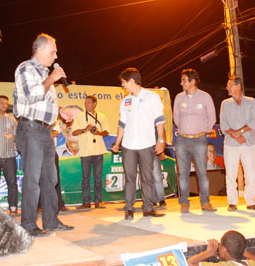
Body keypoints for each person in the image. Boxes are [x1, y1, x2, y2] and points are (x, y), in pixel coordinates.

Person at [13, 33, 74, 237]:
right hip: (30, 130)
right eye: (52, 51)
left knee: (50, 178)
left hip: (46, 131)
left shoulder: (45, 73)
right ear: (40, 50)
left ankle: (51, 221)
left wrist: (60, 112)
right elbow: (32, 96)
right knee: (33, 179)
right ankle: (28, 225)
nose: (55, 56)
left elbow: (44, 103)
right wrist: (52, 78)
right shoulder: (25, 68)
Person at [111, 67, 166, 220]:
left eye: (123, 82)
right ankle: (129, 208)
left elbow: (159, 120)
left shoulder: (152, 97)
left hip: (147, 143)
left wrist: (161, 140)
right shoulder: (125, 101)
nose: (123, 86)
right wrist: (117, 143)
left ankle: (148, 208)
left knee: (147, 178)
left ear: (132, 81)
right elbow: (122, 124)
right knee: (129, 178)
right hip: (128, 145)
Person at [173, 69, 216, 213]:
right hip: (182, 140)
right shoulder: (179, 98)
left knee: (202, 173)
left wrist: (203, 131)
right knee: (183, 173)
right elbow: (176, 118)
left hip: (199, 140)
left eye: (184, 80)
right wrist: (185, 130)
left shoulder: (205, 97)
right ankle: (184, 202)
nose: (181, 83)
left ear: (192, 81)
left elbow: (212, 117)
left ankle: (205, 202)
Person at [220, 76, 255, 211]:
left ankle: (250, 201)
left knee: (250, 172)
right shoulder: (225, 103)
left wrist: (241, 132)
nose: (228, 88)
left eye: (230, 85)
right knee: (230, 173)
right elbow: (223, 124)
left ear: (238, 86)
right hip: (231, 143)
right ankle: (232, 202)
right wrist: (236, 135)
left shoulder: (251, 102)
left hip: (248, 143)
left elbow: (254, 122)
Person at [72, 95, 110, 209]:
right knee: (86, 178)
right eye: (85, 103)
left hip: (99, 150)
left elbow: (107, 132)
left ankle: (98, 201)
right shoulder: (79, 116)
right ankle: (86, 202)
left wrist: (98, 133)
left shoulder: (101, 116)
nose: (86, 104)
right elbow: (74, 133)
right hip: (86, 150)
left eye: (89, 103)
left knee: (98, 177)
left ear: (94, 104)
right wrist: (85, 129)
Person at [187, 230, 255, 265]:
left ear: (224, 250)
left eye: (220, 244)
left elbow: (189, 263)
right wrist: (240, 249)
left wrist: (209, 252)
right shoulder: (254, 264)